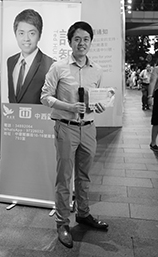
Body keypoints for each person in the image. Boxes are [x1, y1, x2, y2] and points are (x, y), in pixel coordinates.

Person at [41, 21, 108, 249]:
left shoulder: (97, 70)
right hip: (66, 127)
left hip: (89, 128)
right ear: (70, 42)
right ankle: (62, 222)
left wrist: (99, 106)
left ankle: (83, 214)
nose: (82, 43)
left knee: (84, 176)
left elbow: (97, 99)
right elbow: (45, 97)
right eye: (77, 39)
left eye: (86, 39)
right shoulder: (58, 67)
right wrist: (69, 107)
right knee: (64, 178)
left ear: (91, 42)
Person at [7, 9, 54, 104]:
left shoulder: (51, 64)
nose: (26, 39)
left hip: (38, 117)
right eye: (21, 33)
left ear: (40, 35)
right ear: (15, 34)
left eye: (32, 33)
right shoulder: (11, 61)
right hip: (12, 117)